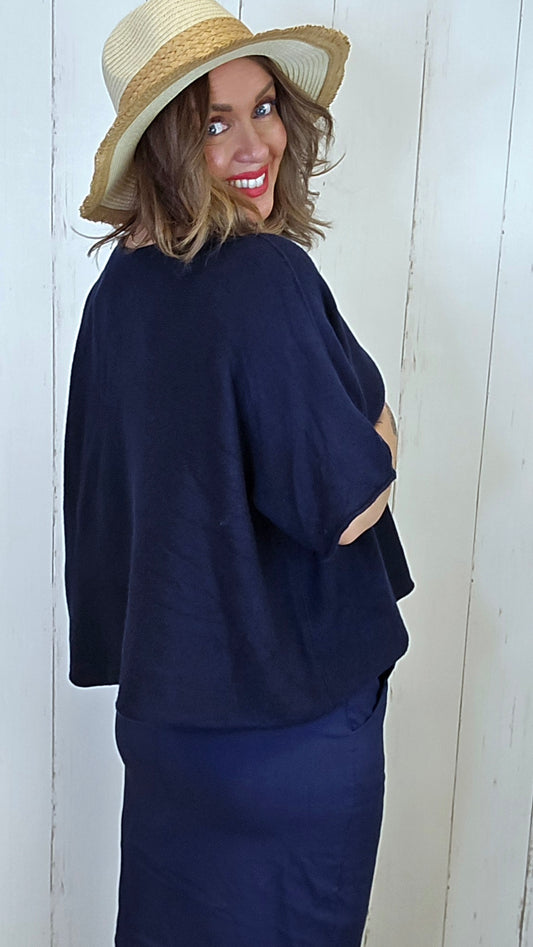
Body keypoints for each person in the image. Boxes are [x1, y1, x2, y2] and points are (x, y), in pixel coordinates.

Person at [63, 0, 415, 944]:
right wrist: (384, 426)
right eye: (213, 123)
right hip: (289, 734)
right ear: (164, 145)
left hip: (168, 734)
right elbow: (348, 501)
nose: (254, 144)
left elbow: (109, 514)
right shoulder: (265, 276)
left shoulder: (114, 297)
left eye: (263, 108)